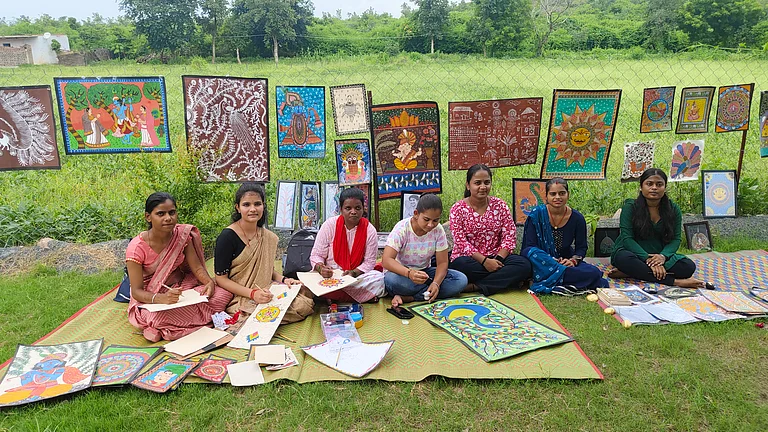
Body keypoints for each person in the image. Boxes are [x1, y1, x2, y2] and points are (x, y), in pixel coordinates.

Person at [126, 192, 233, 342]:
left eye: (172, 212)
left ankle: (170, 329)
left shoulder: (181, 236)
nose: (168, 218)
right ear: (148, 217)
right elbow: (137, 291)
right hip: (152, 296)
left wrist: (208, 282)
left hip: (182, 288)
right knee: (156, 317)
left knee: (223, 293)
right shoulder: (136, 248)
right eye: (161, 214)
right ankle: (168, 327)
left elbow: (197, 268)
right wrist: (162, 299)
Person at [214, 183, 314, 327]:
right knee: (256, 314)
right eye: (246, 204)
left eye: (257, 204)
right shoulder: (227, 237)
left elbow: (268, 270)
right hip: (242, 296)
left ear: (263, 206)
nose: (253, 209)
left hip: (267, 290)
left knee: (304, 302)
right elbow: (221, 279)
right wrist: (253, 294)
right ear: (238, 207)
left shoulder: (267, 236)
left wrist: (285, 280)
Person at [609, 168, 704, 288]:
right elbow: (627, 238)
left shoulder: (673, 209)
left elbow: (676, 239)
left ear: (665, 188)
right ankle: (674, 281)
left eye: (659, 184)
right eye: (649, 184)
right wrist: (647, 259)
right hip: (632, 252)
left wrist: (662, 257)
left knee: (688, 267)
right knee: (624, 260)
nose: (654, 188)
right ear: (641, 187)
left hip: (659, 254)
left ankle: (632, 272)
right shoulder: (630, 207)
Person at [449, 164, 532, 295]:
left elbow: (509, 235)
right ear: (468, 185)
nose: (483, 187)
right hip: (471, 260)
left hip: (497, 257)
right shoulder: (458, 209)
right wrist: (485, 262)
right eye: (477, 183)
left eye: (487, 182)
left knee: (523, 265)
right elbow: (461, 242)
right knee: (460, 265)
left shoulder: (500, 205)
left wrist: (497, 260)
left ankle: (476, 286)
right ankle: (503, 281)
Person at [521, 177, 608, 296]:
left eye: (562, 193)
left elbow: (581, 247)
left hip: (565, 260)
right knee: (531, 253)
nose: (557, 197)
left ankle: (551, 279)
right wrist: (550, 260)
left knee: (594, 272)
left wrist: (573, 260)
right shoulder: (536, 215)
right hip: (542, 262)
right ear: (546, 196)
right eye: (553, 194)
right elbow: (529, 247)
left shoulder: (577, 218)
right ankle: (570, 280)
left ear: (568, 195)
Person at [382, 194, 468, 307]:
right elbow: (386, 260)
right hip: (402, 274)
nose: (430, 225)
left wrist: (436, 283)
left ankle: (411, 297)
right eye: (426, 219)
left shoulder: (438, 230)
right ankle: (427, 293)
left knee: (460, 280)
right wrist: (409, 273)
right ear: (416, 214)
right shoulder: (402, 228)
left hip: (424, 273)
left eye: (435, 220)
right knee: (391, 280)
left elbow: (442, 263)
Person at [310, 188, 385, 303]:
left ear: (363, 209)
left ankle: (331, 296)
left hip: (356, 276)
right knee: (311, 280)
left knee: (379, 280)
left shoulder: (370, 230)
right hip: (330, 275)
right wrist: (321, 268)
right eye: (348, 208)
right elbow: (316, 255)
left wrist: (353, 273)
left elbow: (369, 262)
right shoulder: (329, 225)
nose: (353, 212)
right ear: (341, 209)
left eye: (357, 208)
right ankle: (361, 297)